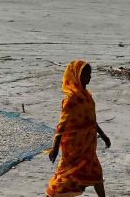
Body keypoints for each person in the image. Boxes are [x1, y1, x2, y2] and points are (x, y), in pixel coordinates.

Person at [47, 60, 110, 197]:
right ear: (76, 76)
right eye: (86, 75)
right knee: (67, 175)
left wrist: (103, 135)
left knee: (95, 172)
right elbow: (62, 125)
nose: (89, 78)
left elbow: (91, 120)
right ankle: (51, 194)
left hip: (88, 145)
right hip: (74, 146)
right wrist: (55, 148)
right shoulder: (71, 99)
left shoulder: (87, 96)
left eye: (89, 74)